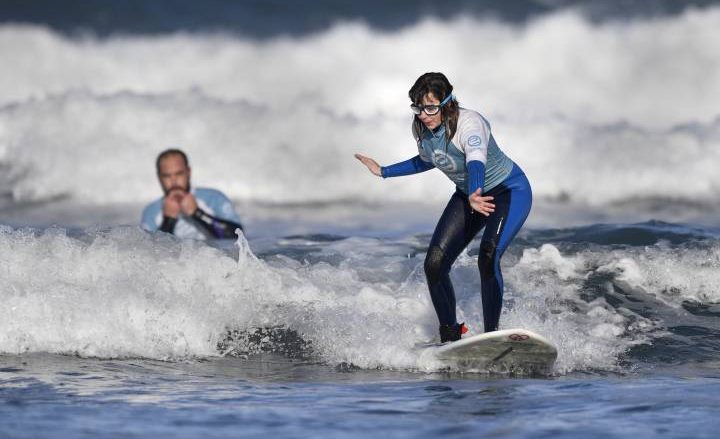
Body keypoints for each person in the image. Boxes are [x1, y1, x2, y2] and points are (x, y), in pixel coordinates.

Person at [355, 72, 532, 343]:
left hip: (509, 191)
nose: (423, 115)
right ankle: (450, 336)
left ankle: (492, 335)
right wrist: (384, 171)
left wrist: (475, 192)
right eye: (417, 107)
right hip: (469, 195)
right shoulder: (421, 128)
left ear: (447, 102)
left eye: (430, 107)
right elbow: (430, 159)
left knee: (487, 255)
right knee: (435, 264)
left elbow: (476, 161)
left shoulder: (470, 123)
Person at [141, 148, 244, 240]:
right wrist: (168, 220)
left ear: (188, 172)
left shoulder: (214, 198)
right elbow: (149, 254)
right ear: (159, 177)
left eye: (179, 173)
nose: (174, 181)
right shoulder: (151, 211)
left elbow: (238, 237)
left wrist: (197, 213)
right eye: (167, 176)